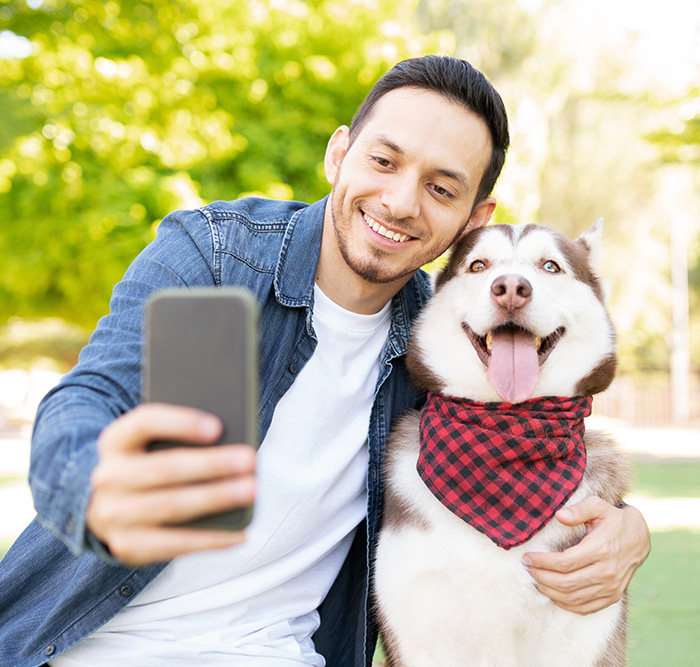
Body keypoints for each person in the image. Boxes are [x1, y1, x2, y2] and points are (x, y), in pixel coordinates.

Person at [0, 55, 649, 667]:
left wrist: (629, 527)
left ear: (474, 221)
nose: (399, 201)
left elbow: (541, 436)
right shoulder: (222, 265)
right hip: (87, 646)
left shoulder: (443, 342)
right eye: (384, 161)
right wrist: (97, 489)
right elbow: (89, 400)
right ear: (339, 153)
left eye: (440, 188)